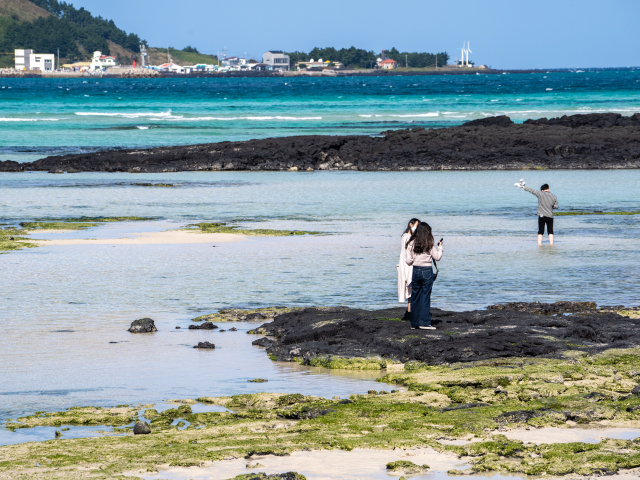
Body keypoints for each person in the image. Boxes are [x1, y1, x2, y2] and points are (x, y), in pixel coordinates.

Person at [405, 222, 442, 330]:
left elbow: (408, 261)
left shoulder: (411, 242)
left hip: (415, 271)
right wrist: (440, 247)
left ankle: (414, 323)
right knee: (425, 296)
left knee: (415, 296)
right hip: (427, 271)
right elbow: (437, 257)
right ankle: (425, 322)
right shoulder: (429, 242)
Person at [398, 218, 420, 320]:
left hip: (407, 264)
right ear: (411, 224)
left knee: (410, 290)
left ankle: (410, 311)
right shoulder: (407, 237)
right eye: (416, 225)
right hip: (409, 265)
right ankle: (411, 312)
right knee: (411, 288)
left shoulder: (405, 236)